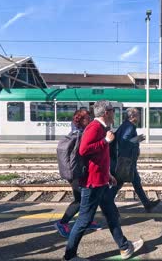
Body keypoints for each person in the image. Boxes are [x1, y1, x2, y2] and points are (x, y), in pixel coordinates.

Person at [63, 100, 144, 261]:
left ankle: (124, 247)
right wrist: (105, 141)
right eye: (113, 110)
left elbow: (99, 157)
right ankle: (69, 256)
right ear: (106, 112)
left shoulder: (102, 128)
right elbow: (84, 150)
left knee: (111, 214)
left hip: (101, 180)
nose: (114, 114)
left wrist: (108, 175)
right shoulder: (95, 127)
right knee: (84, 220)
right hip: (93, 183)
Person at [55, 109, 102, 238]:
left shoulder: (76, 130)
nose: (91, 120)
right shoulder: (81, 134)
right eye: (88, 118)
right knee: (80, 200)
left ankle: (88, 220)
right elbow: (85, 152)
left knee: (90, 197)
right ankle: (62, 222)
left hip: (76, 170)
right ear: (82, 120)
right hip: (76, 172)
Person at [111, 108, 160, 212]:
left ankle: (147, 205)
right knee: (118, 183)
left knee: (136, 182)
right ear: (132, 117)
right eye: (137, 115)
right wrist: (137, 139)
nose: (139, 117)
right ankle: (107, 202)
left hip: (127, 161)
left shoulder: (125, 125)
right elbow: (124, 142)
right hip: (126, 162)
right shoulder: (129, 127)